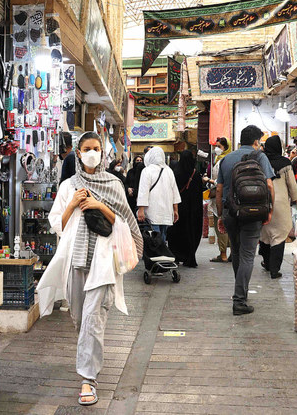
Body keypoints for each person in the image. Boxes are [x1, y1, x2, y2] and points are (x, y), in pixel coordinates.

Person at [36, 131, 143, 406]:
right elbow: (56, 224)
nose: (92, 152)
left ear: (102, 152)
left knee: (93, 320)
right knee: (81, 319)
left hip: (103, 262)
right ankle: (88, 364)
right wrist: (73, 203)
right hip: (75, 259)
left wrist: (98, 205)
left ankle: (88, 380)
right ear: (79, 152)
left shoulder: (114, 184)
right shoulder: (68, 186)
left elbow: (124, 221)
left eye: (97, 147)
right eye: (87, 148)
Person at [216, 125, 275, 316]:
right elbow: (269, 185)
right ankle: (240, 299)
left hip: (231, 212)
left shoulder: (226, 159)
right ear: (256, 141)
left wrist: (220, 215)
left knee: (237, 252)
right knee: (248, 255)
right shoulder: (260, 156)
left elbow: (218, 190)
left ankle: (240, 292)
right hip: (254, 213)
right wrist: (269, 210)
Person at [259, 136, 297, 279]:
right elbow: (292, 185)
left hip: (263, 202)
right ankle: (274, 269)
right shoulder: (285, 163)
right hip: (280, 205)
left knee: (265, 235)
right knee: (278, 237)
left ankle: (266, 263)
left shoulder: (260, 161)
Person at [167, 150, 203, 268]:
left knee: (176, 232)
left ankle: (176, 255)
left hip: (178, 208)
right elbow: (199, 193)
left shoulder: (175, 173)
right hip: (193, 210)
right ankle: (190, 257)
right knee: (191, 232)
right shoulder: (195, 174)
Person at [137, 146, 181, 242]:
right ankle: (162, 254)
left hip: (152, 211)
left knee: (154, 238)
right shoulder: (169, 171)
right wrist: (175, 210)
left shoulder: (147, 171)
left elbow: (143, 192)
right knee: (163, 238)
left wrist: (141, 210)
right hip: (166, 211)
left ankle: (157, 254)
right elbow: (175, 192)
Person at [204, 137, 232, 263]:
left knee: (221, 226)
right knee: (228, 226)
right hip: (227, 198)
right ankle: (231, 254)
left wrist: (208, 181)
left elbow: (220, 182)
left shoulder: (223, 162)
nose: (216, 149)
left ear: (225, 148)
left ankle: (223, 254)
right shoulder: (220, 160)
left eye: (219, 146)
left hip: (220, 198)